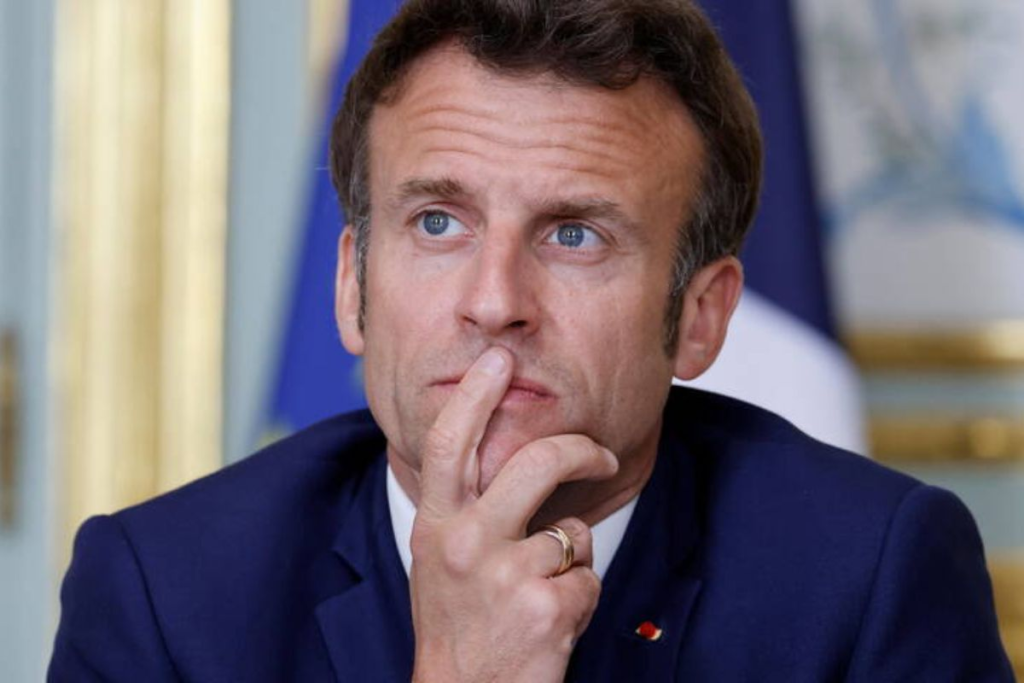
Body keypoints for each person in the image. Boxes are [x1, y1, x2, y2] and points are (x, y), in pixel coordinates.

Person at [49, 0, 1013, 680]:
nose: (494, 302)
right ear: (352, 286)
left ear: (701, 317)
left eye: (575, 235)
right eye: (438, 222)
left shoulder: (868, 577)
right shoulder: (164, 593)